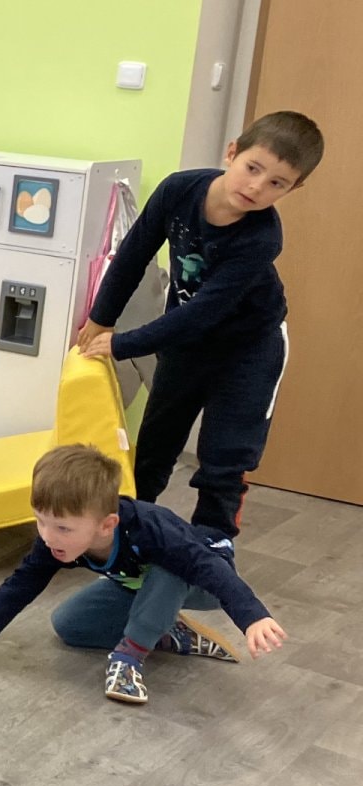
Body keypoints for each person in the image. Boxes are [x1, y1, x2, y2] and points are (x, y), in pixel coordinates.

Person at [76, 111, 324, 549]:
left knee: (224, 459)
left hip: (248, 351)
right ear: (232, 152)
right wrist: (100, 319)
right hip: (186, 345)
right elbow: (133, 255)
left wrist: (121, 344)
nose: (256, 187)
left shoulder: (262, 238)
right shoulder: (179, 190)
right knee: (154, 447)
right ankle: (129, 537)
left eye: (276, 183)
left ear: (294, 188)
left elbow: (201, 313)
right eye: (252, 168)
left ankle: (213, 548)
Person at [0, 444, 287, 706]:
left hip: (205, 579)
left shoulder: (153, 531)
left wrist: (252, 616)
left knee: (169, 567)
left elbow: (208, 568)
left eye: (62, 527)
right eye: (40, 521)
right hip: (140, 584)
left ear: (107, 525)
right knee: (69, 624)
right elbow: (22, 583)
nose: (48, 536)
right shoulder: (54, 541)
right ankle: (167, 631)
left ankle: (129, 657)